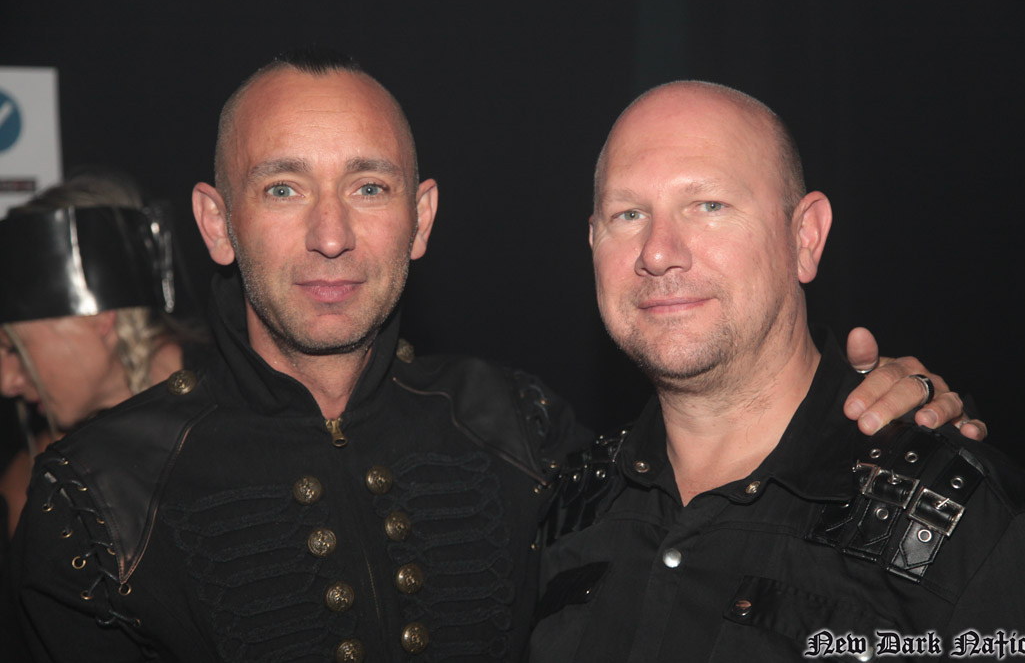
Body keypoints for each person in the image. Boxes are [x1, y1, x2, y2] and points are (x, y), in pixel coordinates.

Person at [10, 51, 968, 663]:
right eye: (283, 190)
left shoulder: (528, 433)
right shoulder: (97, 497)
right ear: (217, 223)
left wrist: (880, 419)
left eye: (369, 187)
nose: (332, 236)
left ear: (421, 217)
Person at [530, 82, 1025, 662]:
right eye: (628, 214)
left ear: (805, 237)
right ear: (593, 242)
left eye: (709, 206)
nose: (657, 252)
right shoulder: (559, 514)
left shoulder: (974, 530)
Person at [0, 173, 206, 540]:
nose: (7, 382)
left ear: (97, 317)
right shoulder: (43, 479)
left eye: (14, 349)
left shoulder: (240, 411)